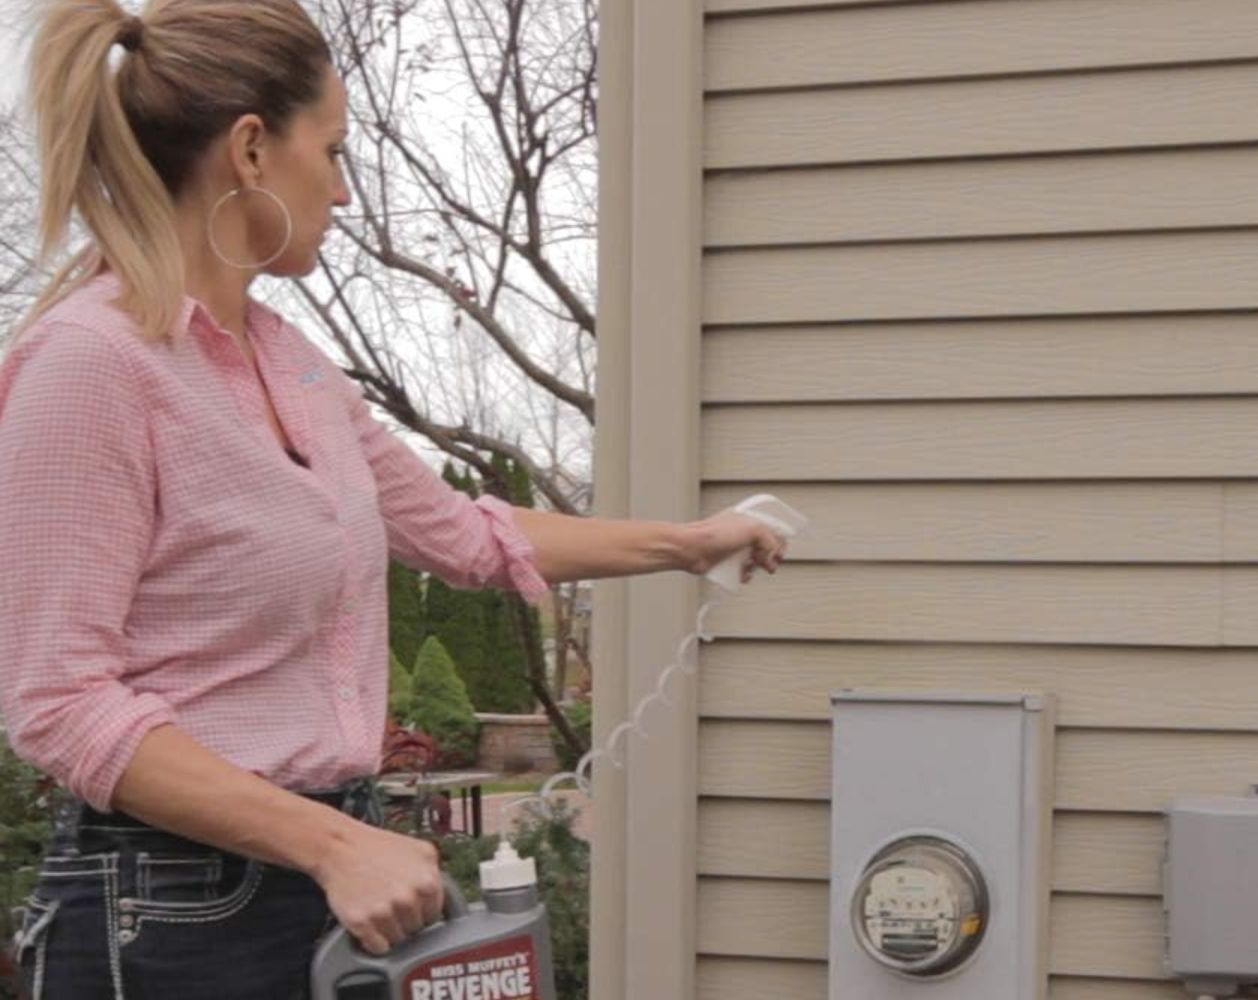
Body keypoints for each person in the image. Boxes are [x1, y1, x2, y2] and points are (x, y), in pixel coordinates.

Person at [0, 1, 787, 996]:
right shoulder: (89, 364)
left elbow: (463, 532)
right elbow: (57, 701)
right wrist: (332, 843)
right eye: (331, 150)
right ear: (250, 151)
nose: (340, 187)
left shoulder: (295, 367)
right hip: (170, 907)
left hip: (331, 872)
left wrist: (686, 543)